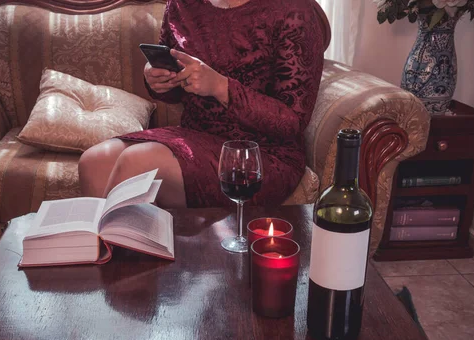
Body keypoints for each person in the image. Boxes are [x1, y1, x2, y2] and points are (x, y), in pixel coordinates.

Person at [78, 0, 325, 208]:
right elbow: (175, 85)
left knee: (137, 161)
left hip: (262, 151)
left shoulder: (294, 10)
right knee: (94, 161)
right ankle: (107, 258)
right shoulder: (183, 4)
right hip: (195, 134)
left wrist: (221, 87)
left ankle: (127, 259)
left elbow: (293, 121)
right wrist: (158, 79)